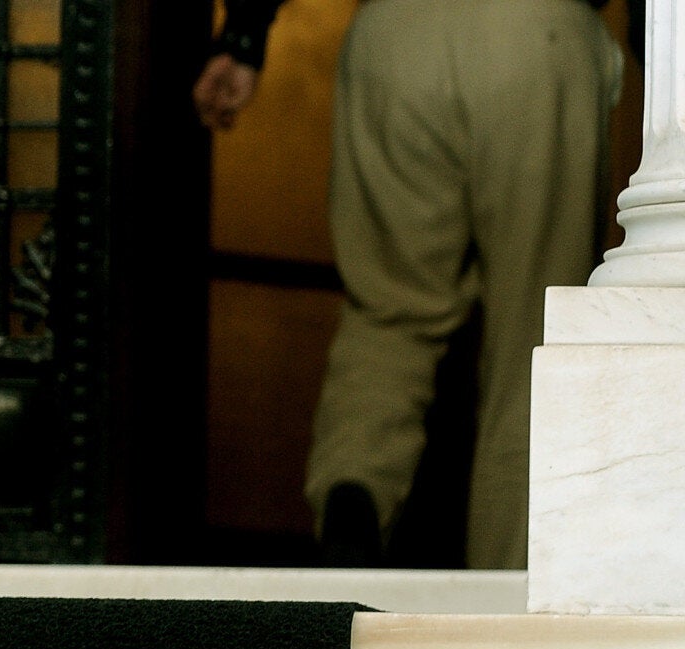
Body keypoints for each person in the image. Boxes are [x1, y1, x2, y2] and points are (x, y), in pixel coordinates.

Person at [196, 0, 627, 568]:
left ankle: (353, 502)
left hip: (395, 37)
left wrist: (244, 38)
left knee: (388, 316)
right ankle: (509, 580)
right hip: (538, 37)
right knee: (537, 338)